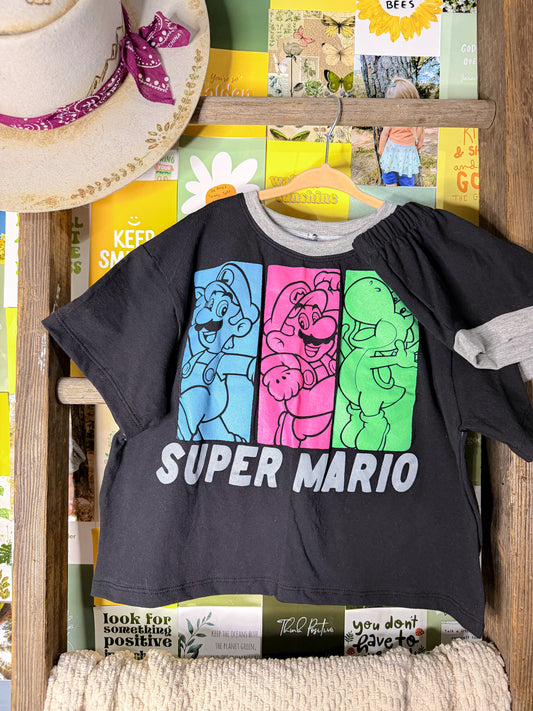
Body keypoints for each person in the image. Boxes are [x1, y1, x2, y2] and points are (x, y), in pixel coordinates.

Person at [378, 77, 425, 187]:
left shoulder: (416, 119)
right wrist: (381, 151)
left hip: (407, 154)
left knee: (407, 180)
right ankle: (392, 190)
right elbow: (384, 134)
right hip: (391, 153)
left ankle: (404, 193)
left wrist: (420, 142)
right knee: (389, 177)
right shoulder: (391, 118)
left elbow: (421, 132)